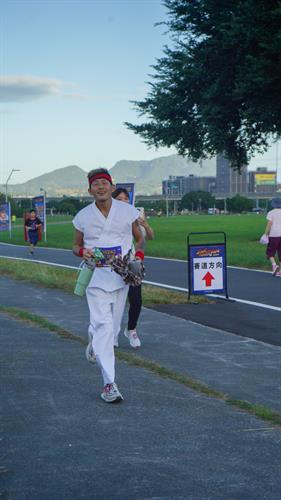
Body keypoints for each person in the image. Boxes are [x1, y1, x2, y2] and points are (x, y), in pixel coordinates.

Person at [72, 168, 144, 403]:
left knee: (110, 330)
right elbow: (75, 247)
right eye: (96, 184)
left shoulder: (127, 210)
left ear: (112, 187)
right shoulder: (83, 216)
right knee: (103, 326)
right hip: (96, 277)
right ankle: (109, 384)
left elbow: (139, 237)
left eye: (105, 183)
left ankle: (95, 341)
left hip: (121, 276)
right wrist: (84, 252)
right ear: (89, 189)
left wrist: (135, 255)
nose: (100, 187)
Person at [112, 187, 154, 348]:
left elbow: (148, 238)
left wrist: (145, 225)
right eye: (119, 199)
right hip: (115, 263)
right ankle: (112, 334)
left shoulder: (135, 217)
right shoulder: (109, 218)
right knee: (115, 301)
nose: (123, 201)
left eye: (126, 198)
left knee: (136, 300)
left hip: (133, 262)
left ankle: (131, 329)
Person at [262, 197, 281, 276]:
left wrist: (265, 234)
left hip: (273, 235)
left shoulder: (271, 212)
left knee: (270, 252)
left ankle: (274, 265)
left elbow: (269, 224)